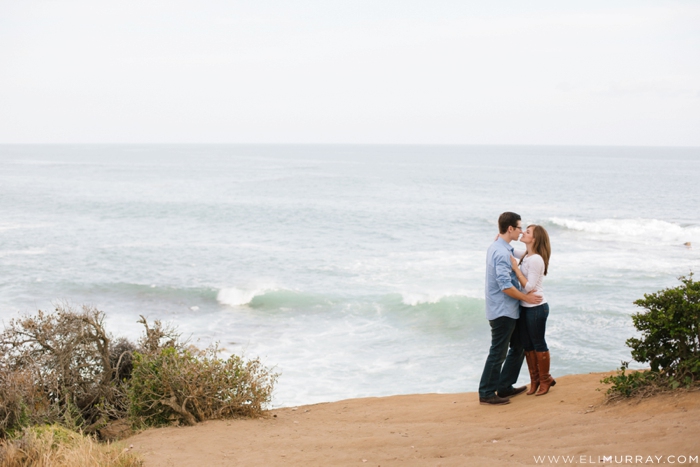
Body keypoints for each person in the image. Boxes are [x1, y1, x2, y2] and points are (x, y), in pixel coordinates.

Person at [478, 212, 543, 406]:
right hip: (502, 311)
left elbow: (525, 256)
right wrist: (526, 297)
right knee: (498, 352)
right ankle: (486, 392)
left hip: (508, 309)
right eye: (519, 228)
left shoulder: (501, 246)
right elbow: (505, 286)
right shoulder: (500, 252)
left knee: (518, 347)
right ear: (510, 229)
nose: (521, 231)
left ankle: (505, 385)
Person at [510, 224, 555, 396]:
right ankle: (535, 380)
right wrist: (500, 238)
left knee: (538, 343)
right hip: (525, 307)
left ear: (534, 239)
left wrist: (515, 269)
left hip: (536, 308)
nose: (522, 233)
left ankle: (545, 379)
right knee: (528, 346)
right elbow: (512, 251)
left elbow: (528, 287)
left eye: (527, 232)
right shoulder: (527, 255)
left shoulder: (536, 259)